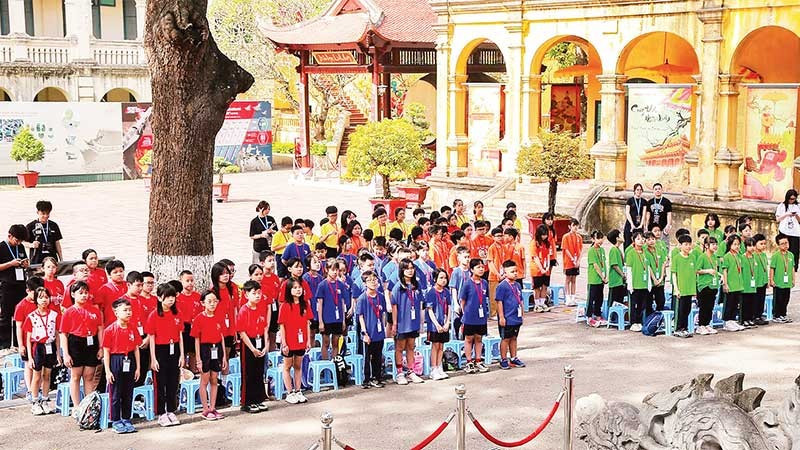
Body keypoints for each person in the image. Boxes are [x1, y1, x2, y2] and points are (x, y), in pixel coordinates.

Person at [59, 281, 103, 412]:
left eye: (86, 293)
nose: (84, 296)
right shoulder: (69, 312)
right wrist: (65, 354)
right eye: (80, 293)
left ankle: (88, 406)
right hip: (75, 343)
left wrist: (101, 347)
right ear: (73, 294)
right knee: (76, 375)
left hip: (91, 342)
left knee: (89, 375)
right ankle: (77, 406)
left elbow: (100, 329)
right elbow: (63, 334)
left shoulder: (94, 310)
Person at [146, 283, 184, 427]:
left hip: (174, 349)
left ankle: (171, 410)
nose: (170, 300)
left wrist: (181, 355)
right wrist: (153, 358)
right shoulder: (154, 315)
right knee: (161, 383)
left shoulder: (177, 314)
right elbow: (152, 338)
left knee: (173, 382)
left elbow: (180, 335)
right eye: (167, 297)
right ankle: (161, 413)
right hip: (160, 350)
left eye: (172, 297)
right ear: (159, 297)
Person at [103, 297, 142, 433]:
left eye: (130, 310)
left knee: (128, 392)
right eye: (125, 310)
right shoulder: (109, 330)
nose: (128, 312)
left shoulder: (132, 328)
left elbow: (136, 348)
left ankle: (126, 418)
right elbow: (106, 351)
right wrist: (108, 371)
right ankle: (115, 420)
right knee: (115, 393)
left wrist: (138, 367)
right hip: (116, 360)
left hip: (129, 360)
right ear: (116, 312)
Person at [22, 287, 60, 415]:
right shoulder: (31, 317)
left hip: (50, 346)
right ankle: (35, 401)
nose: (44, 300)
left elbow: (57, 334)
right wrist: (30, 358)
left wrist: (58, 353)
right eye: (41, 297)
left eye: (46, 297)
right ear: (36, 300)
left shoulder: (54, 315)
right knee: (37, 376)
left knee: (47, 375)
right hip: (38, 347)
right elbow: (28, 338)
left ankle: (45, 400)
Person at [191, 290, 227, 421]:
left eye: (215, 301)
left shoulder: (219, 317)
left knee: (214, 379)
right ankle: (205, 409)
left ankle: (213, 407)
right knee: (204, 379)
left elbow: (222, 336)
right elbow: (196, 340)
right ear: (203, 303)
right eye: (209, 301)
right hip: (205, 349)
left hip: (216, 348)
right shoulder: (199, 319)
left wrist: (223, 357)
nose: (212, 304)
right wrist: (199, 359)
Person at [236, 280, 269, 414]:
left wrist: (266, 345)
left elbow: (265, 327)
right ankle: (247, 402)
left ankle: (259, 398)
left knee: (259, 371)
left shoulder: (261, 307)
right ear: (246, 294)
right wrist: (252, 348)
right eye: (254, 293)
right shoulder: (244, 310)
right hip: (249, 343)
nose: (257, 296)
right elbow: (242, 332)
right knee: (248, 372)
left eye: (259, 293)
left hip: (260, 340)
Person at [391, 259, 424, 385]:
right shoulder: (398, 287)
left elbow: (420, 304)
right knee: (399, 348)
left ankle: (411, 371)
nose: (410, 271)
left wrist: (421, 323)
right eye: (407, 268)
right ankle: (399, 373)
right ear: (402, 270)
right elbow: (394, 306)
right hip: (401, 322)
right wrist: (394, 323)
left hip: (413, 322)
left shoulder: (417, 286)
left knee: (411, 346)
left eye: (412, 268)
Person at [278, 279, 312, 404]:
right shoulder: (285, 306)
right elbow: (282, 326)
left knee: (298, 366)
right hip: (289, 341)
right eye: (295, 288)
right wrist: (284, 343)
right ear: (289, 290)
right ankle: (290, 392)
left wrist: (308, 340)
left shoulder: (305, 305)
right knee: (287, 366)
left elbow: (307, 323)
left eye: (299, 287)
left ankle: (298, 390)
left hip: (301, 340)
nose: (298, 290)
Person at [0, 224, 29, 349]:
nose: (18, 243)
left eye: (21, 241)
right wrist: (10, 264)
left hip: (21, 284)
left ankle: (19, 344)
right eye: (17, 240)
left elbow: (26, 260)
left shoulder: (21, 247)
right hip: (6, 285)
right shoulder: (1, 247)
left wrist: (25, 264)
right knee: (5, 316)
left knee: (20, 315)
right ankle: (4, 345)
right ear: (9, 236)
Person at [14, 277, 44, 397]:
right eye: (35, 292)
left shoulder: (42, 303)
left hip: (40, 339)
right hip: (28, 341)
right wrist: (21, 345)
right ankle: (30, 389)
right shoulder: (21, 306)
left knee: (40, 365)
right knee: (29, 364)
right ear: (28, 291)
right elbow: (18, 327)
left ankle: (38, 388)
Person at [458, 259, 489, 374]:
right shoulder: (467, 284)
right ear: (471, 270)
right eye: (478, 267)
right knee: (469, 339)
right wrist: (465, 313)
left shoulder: (484, 283)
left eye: (482, 267)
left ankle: (478, 360)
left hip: (481, 317)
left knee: (479, 338)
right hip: (469, 317)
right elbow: (463, 301)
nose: (481, 269)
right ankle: (469, 362)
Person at [356, 270, 386, 388]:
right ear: (364, 283)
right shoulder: (362, 298)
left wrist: (383, 328)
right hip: (368, 332)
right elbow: (361, 316)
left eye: (375, 279)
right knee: (367, 356)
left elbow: (382, 314)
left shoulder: (381, 297)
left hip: (379, 331)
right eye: (369, 280)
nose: (373, 282)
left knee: (378, 356)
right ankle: (366, 379)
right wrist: (364, 333)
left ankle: (376, 377)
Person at [494, 260, 525, 369]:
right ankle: (503, 359)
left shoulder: (517, 285)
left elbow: (520, 299)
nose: (515, 273)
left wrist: (522, 311)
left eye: (516, 271)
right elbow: (499, 302)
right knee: (505, 338)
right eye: (512, 271)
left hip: (516, 317)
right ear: (505, 272)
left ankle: (514, 357)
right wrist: (501, 317)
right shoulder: (502, 286)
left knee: (514, 337)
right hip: (507, 317)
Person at [316, 259, 346, 361]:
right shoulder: (322, 285)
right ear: (327, 270)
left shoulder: (340, 285)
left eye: (336, 270)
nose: (334, 272)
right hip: (326, 319)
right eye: (332, 269)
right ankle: (325, 364)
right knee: (325, 342)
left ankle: (335, 363)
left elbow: (342, 303)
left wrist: (343, 320)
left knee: (336, 342)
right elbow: (319, 304)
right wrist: (320, 321)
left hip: (337, 319)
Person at [425, 268, 451, 380]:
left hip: (444, 323)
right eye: (441, 278)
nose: (443, 280)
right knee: (435, 346)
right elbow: (430, 310)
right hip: (434, 325)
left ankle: (440, 366)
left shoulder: (446, 292)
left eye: (445, 278)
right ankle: (433, 368)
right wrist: (437, 324)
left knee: (441, 346)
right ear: (435, 279)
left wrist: (447, 322)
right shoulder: (431, 292)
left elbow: (449, 307)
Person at [210, 262, 239, 359]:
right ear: (216, 275)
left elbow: (234, 308)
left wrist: (234, 328)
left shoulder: (232, 288)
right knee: (217, 356)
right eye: (222, 274)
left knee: (227, 355)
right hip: (217, 328)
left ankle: (225, 374)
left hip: (230, 327)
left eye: (227, 273)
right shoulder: (213, 292)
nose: (226, 275)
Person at [671, 235, 696, 338]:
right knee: (680, 310)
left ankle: (684, 328)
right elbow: (674, 274)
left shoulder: (693, 258)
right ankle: (678, 329)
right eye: (685, 244)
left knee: (687, 310)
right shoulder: (676, 258)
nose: (688, 246)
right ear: (680, 245)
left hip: (689, 289)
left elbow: (694, 274)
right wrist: (676, 288)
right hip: (680, 290)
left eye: (689, 244)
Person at [176, 270, 200, 372]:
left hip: (194, 325)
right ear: (181, 281)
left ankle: (193, 371)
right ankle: (184, 372)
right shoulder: (178, 297)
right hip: (183, 327)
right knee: (184, 351)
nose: (190, 283)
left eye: (192, 280)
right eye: (187, 281)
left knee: (193, 352)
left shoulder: (197, 296)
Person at [625, 231, 649, 332]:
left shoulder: (645, 253)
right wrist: (630, 284)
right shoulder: (631, 253)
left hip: (643, 284)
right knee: (634, 305)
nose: (641, 241)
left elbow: (647, 268)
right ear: (633, 241)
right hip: (635, 284)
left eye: (642, 239)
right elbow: (629, 269)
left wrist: (649, 284)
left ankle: (639, 321)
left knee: (642, 305)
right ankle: (633, 322)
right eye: (638, 239)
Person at [694, 237, 719, 335]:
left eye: (716, 244)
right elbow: (697, 270)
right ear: (706, 246)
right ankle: (701, 326)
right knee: (703, 306)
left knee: (710, 306)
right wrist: (707, 271)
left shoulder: (714, 257)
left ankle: (707, 324)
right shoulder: (702, 257)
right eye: (713, 244)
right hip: (704, 285)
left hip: (713, 285)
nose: (715, 246)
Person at [25, 200, 63, 265]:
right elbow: (23, 242)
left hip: (52, 259)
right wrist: (31, 245)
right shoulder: (30, 226)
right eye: (43, 213)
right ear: (37, 212)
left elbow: (57, 243)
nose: (45, 216)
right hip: (36, 260)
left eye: (47, 213)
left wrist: (61, 259)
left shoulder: (54, 225)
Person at [720, 235, 745, 332]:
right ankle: (727, 321)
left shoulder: (739, 256)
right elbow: (725, 271)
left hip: (738, 284)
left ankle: (733, 320)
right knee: (729, 303)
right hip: (730, 284)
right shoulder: (727, 256)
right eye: (734, 244)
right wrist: (725, 284)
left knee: (735, 303)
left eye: (738, 244)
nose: (737, 246)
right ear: (729, 245)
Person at [770, 233, 795, 323]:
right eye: (782, 243)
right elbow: (772, 268)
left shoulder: (791, 255)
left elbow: (792, 268)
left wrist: (793, 279)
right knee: (778, 299)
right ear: (778, 245)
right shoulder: (776, 255)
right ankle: (776, 315)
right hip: (778, 282)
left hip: (787, 283)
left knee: (786, 299)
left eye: (786, 243)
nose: (785, 245)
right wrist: (771, 280)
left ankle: (783, 314)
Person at [96, 259, 127, 326]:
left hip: (128, 322)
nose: (119, 274)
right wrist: (101, 325)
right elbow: (100, 310)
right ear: (109, 275)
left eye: (121, 271)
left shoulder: (128, 285)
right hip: (111, 324)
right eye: (115, 272)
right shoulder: (104, 289)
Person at [586, 231, 607, 327]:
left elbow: (603, 263)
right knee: (591, 298)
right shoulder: (591, 250)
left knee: (600, 297)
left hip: (601, 280)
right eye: (597, 238)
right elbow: (595, 265)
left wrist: (605, 276)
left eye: (601, 238)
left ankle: (598, 315)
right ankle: (589, 317)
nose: (600, 241)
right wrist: (602, 277)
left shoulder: (602, 250)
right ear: (593, 239)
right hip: (594, 278)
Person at [528, 224, 551, 313]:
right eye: (543, 234)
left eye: (546, 234)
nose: (544, 236)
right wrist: (541, 269)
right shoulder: (534, 243)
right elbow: (535, 257)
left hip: (546, 268)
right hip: (536, 269)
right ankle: (537, 304)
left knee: (545, 286)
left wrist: (547, 267)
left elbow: (548, 255)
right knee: (537, 287)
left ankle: (542, 302)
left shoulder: (546, 243)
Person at [775, 189, 800, 271]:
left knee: (794, 251)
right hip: (784, 230)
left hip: (795, 232)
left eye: (794, 199)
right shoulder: (781, 206)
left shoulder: (798, 206)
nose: (792, 201)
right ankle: (783, 266)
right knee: (784, 249)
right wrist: (786, 214)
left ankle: (794, 268)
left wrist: (796, 215)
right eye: (790, 199)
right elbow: (777, 219)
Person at [562, 219, 582, 306]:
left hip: (576, 261)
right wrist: (572, 259)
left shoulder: (579, 237)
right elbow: (565, 249)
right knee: (568, 279)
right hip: (568, 262)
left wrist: (578, 261)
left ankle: (573, 297)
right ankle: (567, 297)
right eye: (574, 225)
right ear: (570, 226)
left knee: (574, 279)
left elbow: (580, 250)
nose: (575, 227)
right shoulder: (565, 237)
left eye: (577, 226)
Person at [739, 238, 758, 328]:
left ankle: (750, 318)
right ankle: (744, 320)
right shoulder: (742, 258)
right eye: (749, 246)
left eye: (753, 245)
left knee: (752, 303)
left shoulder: (755, 257)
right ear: (745, 247)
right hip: (745, 285)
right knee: (745, 303)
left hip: (753, 285)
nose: (752, 248)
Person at [752, 234, 770, 326]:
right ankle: (754, 316)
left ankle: (759, 315)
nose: (763, 246)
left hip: (762, 281)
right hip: (755, 282)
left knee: (761, 299)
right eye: (761, 244)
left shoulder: (763, 255)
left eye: (764, 244)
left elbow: (765, 268)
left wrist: (767, 281)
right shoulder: (752, 255)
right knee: (755, 300)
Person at [607, 230, 626, 308]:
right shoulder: (613, 250)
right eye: (620, 235)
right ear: (617, 238)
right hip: (615, 280)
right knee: (614, 302)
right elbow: (615, 265)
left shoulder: (618, 249)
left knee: (620, 301)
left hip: (620, 281)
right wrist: (623, 275)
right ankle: (612, 318)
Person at [624, 183, 646, 249]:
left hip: (639, 224)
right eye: (637, 190)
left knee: (639, 242)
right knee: (628, 242)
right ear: (634, 190)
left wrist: (641, 225)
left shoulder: (644, 201)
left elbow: (644, 214)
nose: (639, 191)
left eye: (640, 190)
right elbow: (627, 213)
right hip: (630, 224)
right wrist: (632, 224)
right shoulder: (630, 200)